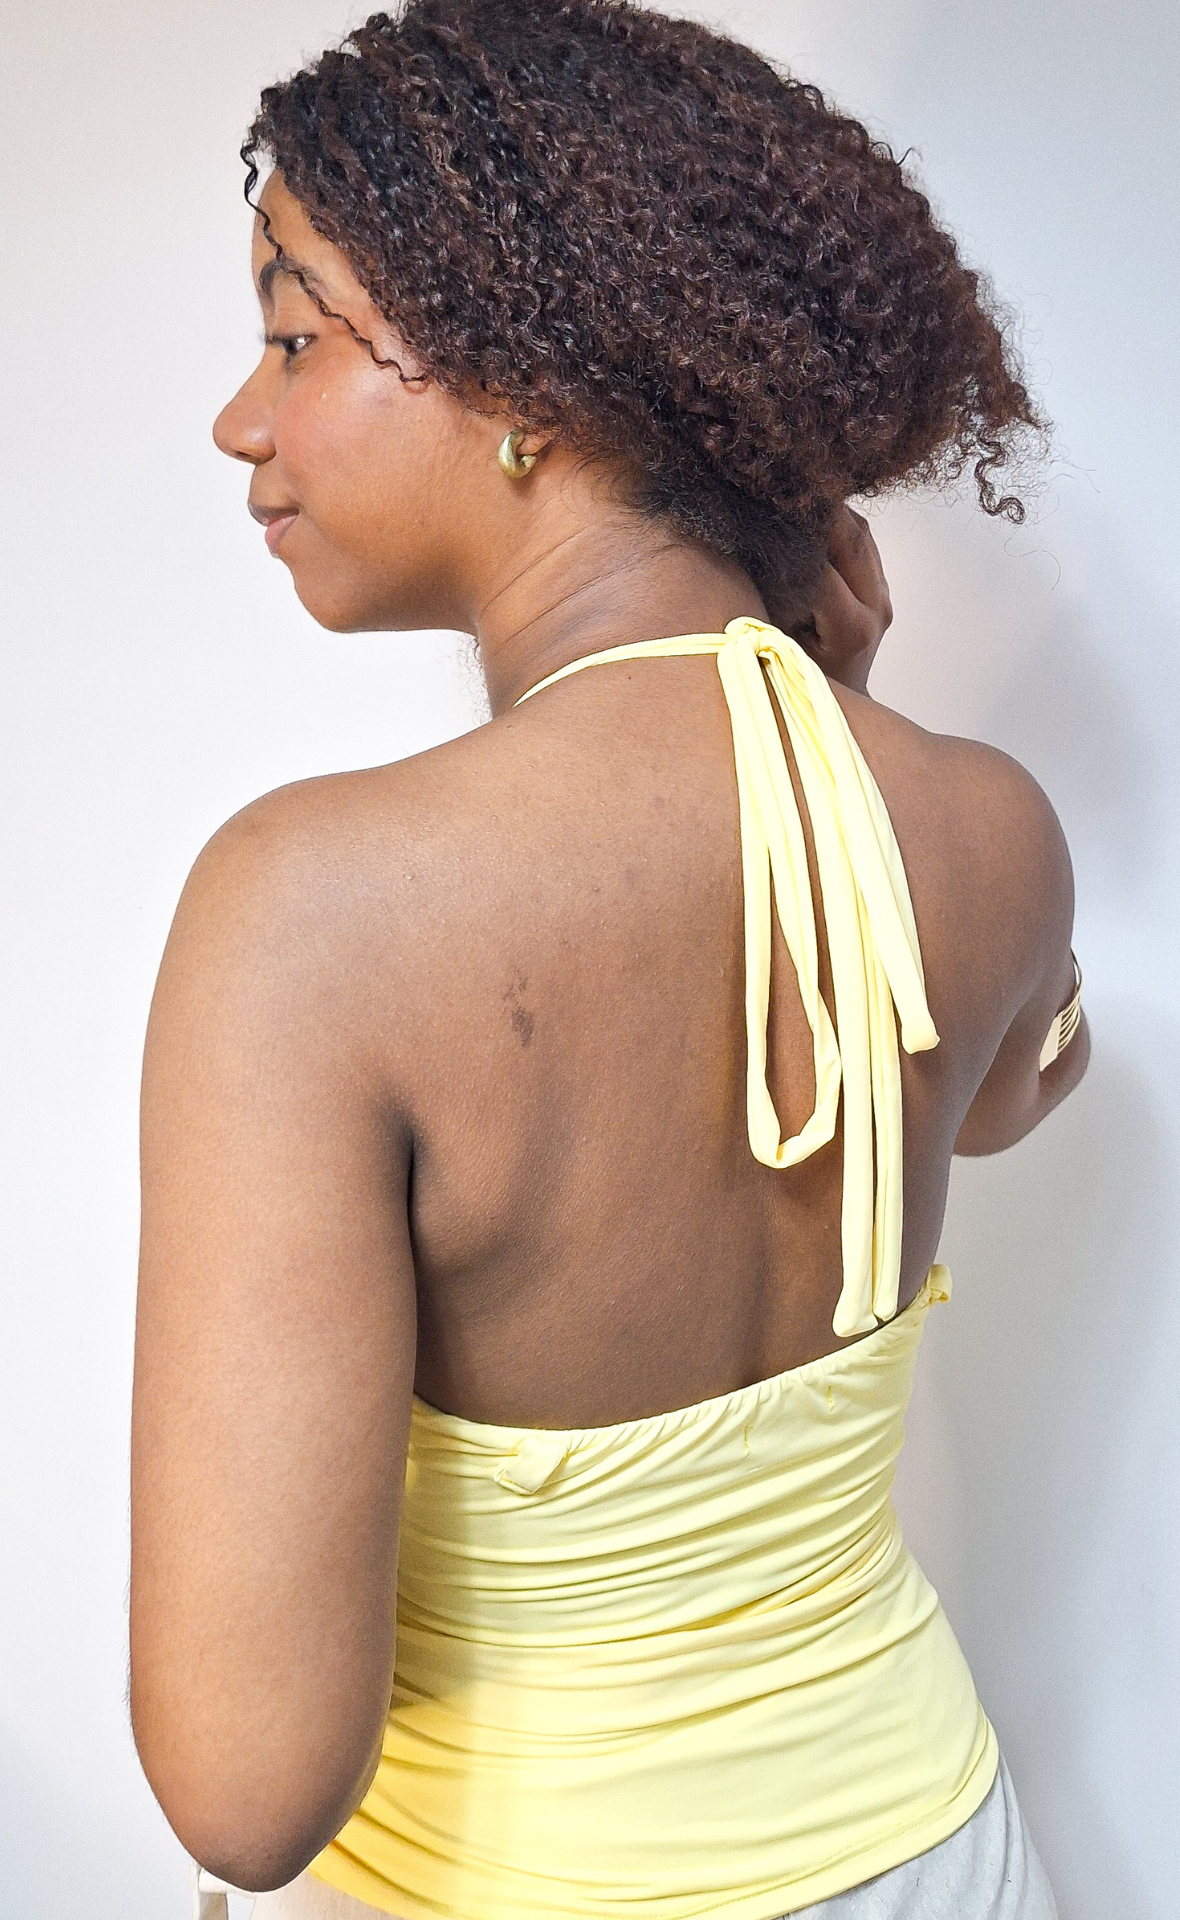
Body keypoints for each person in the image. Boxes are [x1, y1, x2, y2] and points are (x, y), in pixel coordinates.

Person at [128, 4, 1089, 1917]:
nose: (244, 417)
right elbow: (1005, 1093)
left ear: (529, 380)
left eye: (296, 336)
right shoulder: (989, 823)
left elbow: (245, 1792)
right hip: (940, 1858)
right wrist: (839, 712)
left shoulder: (313, 911)